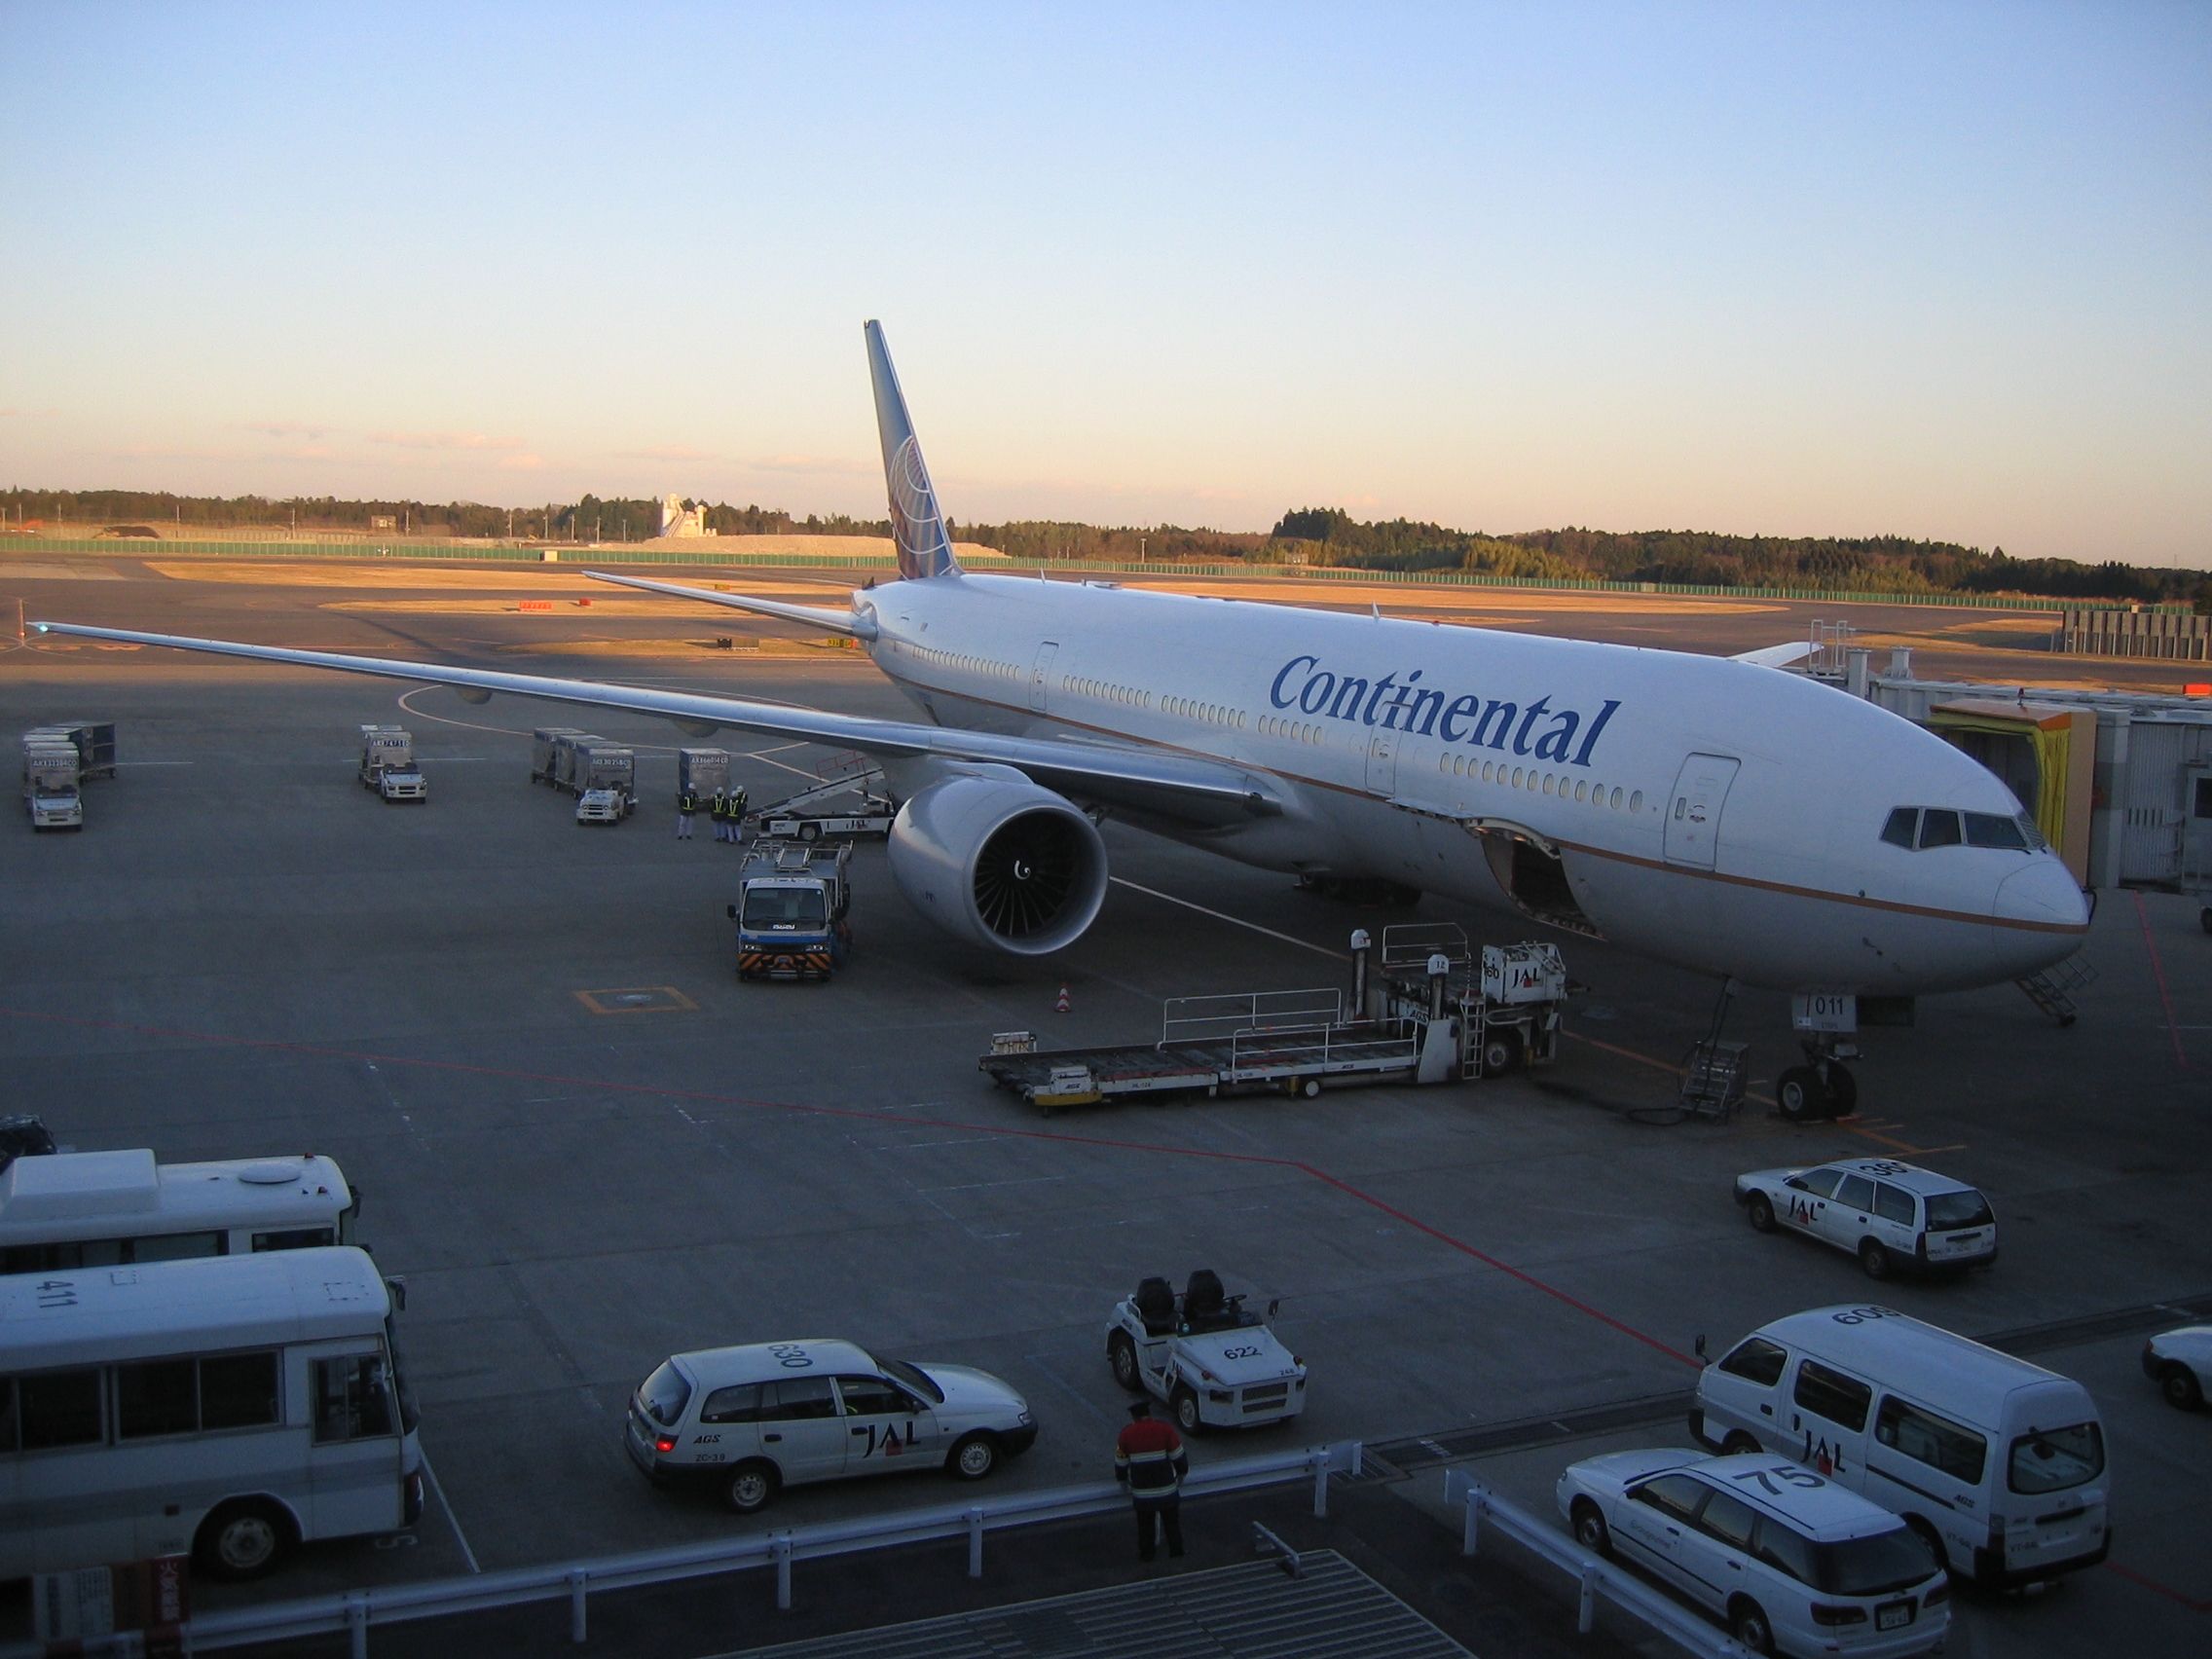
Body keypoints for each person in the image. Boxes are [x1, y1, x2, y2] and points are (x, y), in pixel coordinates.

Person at [1114, 1398, 1187, 1563]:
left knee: (1145, 1528)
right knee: (1172, 1525)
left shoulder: (1126, 1434)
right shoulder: (1165, 1430)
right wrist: (1182, 1473)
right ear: (1149, 1414)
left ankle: (1147, 1557)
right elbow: (1179, 1457)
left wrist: (1123, 1481)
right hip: (1167, 1491)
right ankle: (1177, 1555)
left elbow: (1120, 1464)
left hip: (1142, 1495)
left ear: (1134, 1417)